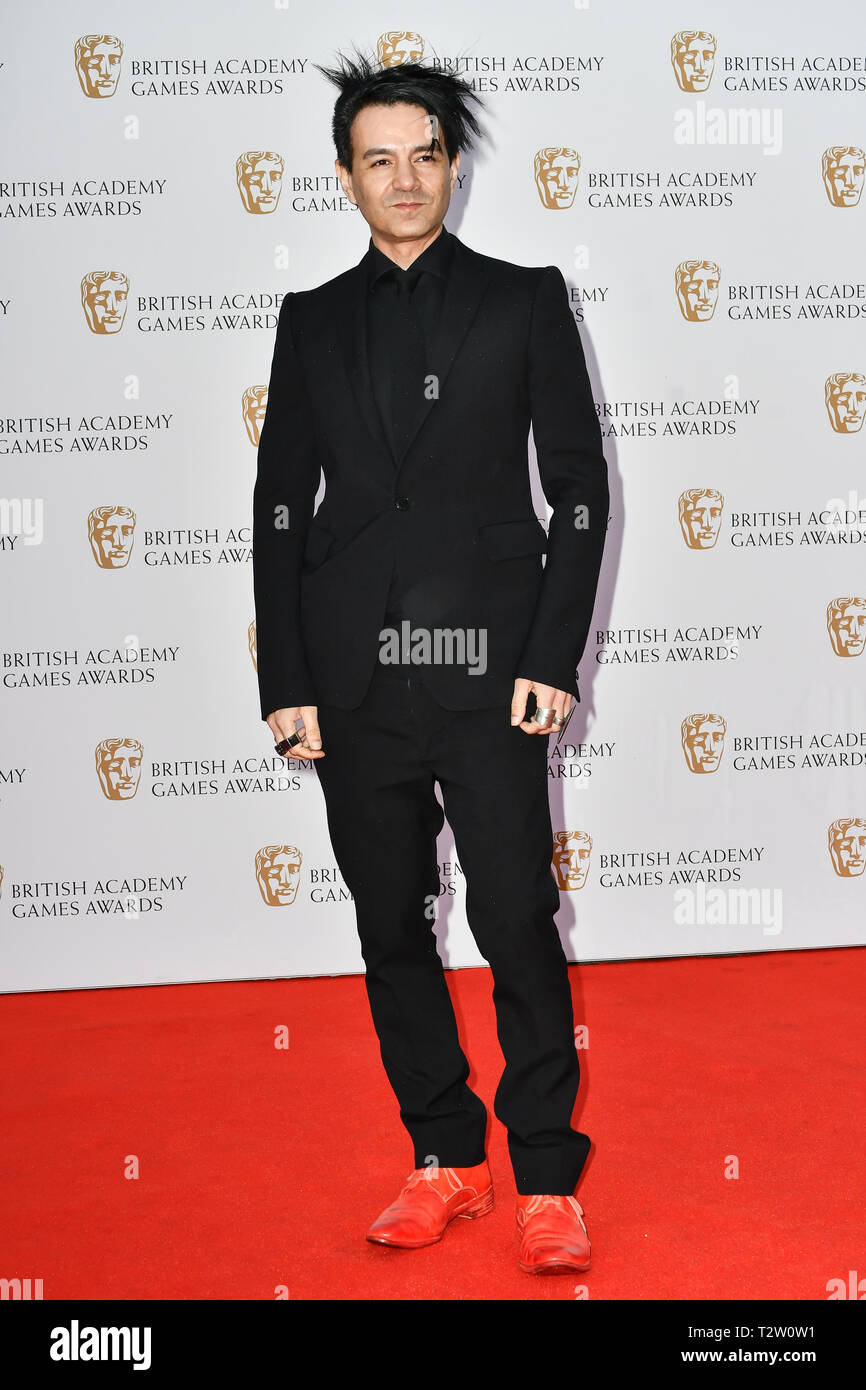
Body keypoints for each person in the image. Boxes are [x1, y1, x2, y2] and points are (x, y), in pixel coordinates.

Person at [252, 51, 609, 1275]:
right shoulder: (310, 320)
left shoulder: (521, 299)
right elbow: (279, 509)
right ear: (346, 177)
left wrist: (551, 654)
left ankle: (549, 1177)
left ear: (452, 167)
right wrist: (285, 681)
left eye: (424, 155)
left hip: (490, 672)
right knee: (392, 928)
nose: (403, 179)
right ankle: (446, 1156)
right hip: (354, 684)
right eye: (376, 159)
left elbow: (576, 489)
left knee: (515, 917)